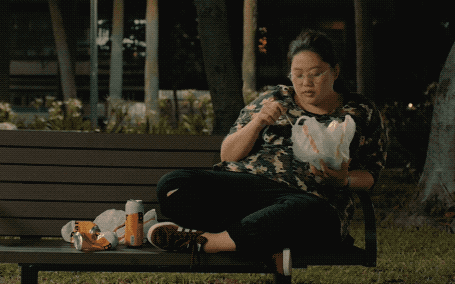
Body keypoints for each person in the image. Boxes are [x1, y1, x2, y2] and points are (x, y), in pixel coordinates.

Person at [147, 29, 388, 271]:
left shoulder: (360, 111)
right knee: (173, 185)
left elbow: (371, 174)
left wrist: (343, 181)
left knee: (309, 212)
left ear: (335, 71)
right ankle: (261, 237)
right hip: (252, 190)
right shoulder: (276, 98)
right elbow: (227, 156)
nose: (306, 83)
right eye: (298, 75)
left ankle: (208, 242)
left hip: (312, 201)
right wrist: (258, 122)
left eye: (316, 74)